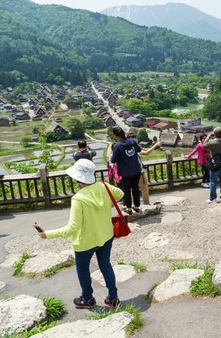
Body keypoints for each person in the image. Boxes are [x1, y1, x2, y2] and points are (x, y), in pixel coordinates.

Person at [39, 159, 123, 309]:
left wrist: (48, 234)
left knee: (83, 270)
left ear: (77, 178)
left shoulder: (78, 199)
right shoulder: (103, 186)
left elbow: (72, 227)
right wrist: (105, 204)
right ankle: (113, 297)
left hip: (85, 242)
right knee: (105, 265)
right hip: (106, 235)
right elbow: (120, 193)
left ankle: (88, 298)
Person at [110, 126, 143, 214]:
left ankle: (129, 208)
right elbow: (139, 150)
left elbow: (113, 160)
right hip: (136, 169)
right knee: (135, 188)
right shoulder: (132, 141)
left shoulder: (117, 146)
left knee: (127, 190)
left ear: (116, 136)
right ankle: (137, 206)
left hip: (125, 172)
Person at [127, 133, 163, 205]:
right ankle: (146, 205)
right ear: (134, 139)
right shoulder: (134, 147)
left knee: (130, 190)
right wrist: (156, 145)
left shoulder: (123, 147)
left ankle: (132, 206)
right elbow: (146, 153)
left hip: (127, 173)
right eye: (136, 139)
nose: (137, 140)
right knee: (144, 189)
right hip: (137, 171)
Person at [203, 127, 221, 203]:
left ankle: (213, 198)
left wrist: (208, 137)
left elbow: (204, 145)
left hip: (215, 165)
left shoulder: (212, 143)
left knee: (213, 181)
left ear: (214, 134)